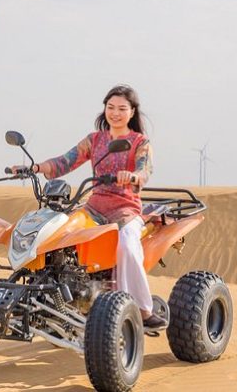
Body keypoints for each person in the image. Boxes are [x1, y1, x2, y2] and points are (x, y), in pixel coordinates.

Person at [11, 84, 167, 330]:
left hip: (125, 210)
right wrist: (35, 168)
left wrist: (133, 176)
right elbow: (65, 162)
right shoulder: (95, 140)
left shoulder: (139, 141)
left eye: (121, 109)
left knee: (127, 245)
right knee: (60, 235)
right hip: (94, 208)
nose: (115, 113)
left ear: (132, 112)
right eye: (110, 107)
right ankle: (56, 298)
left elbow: (144, 169)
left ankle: (142, 309)